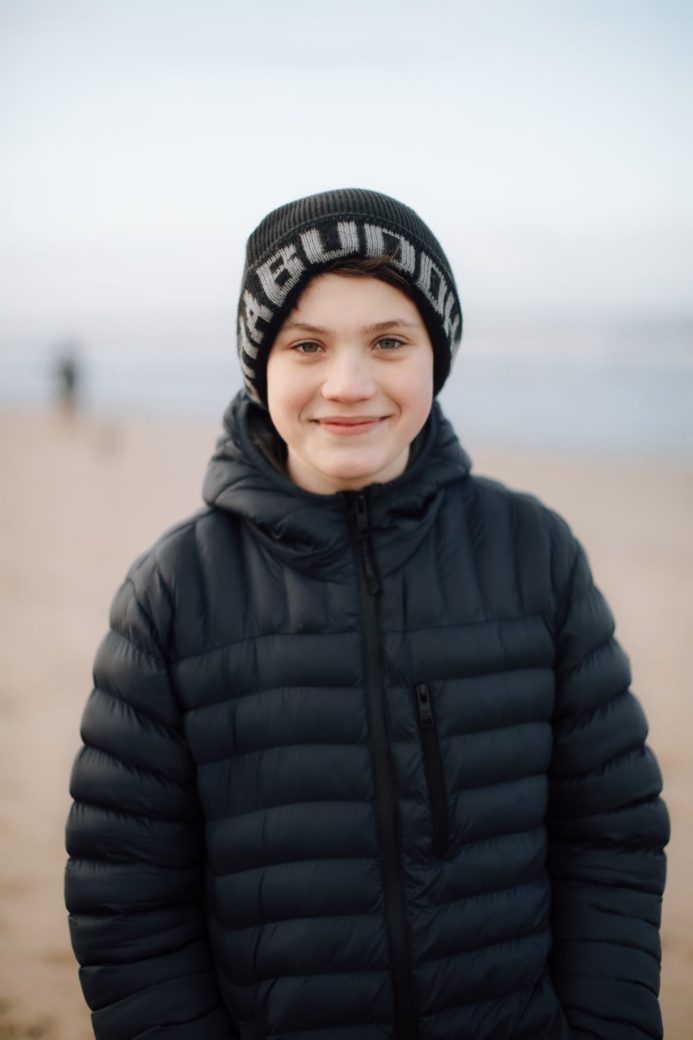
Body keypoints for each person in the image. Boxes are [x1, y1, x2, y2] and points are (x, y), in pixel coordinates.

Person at [65, 188, 669, 1039]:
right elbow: (124, 892)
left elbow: (610, 833)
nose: (347, 385)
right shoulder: (174, 593)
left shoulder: (533, 554)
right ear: (260, 367)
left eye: (388, 341)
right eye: (306, 344)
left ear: (435, 357)